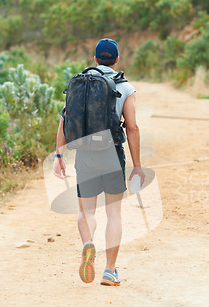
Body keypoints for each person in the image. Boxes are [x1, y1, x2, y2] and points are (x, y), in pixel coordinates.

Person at [53, 38, 145, 286]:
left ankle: (88, 244)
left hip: (84, 154)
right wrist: (136, 166)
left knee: (87, 211)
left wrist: (59, 155)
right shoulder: (125, 87)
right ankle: (110, 271)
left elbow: (64, 120)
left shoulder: (79, 84)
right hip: (111, 152)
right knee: (114, 213)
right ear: (116, 60)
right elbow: (132, 128)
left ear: (94, 59)